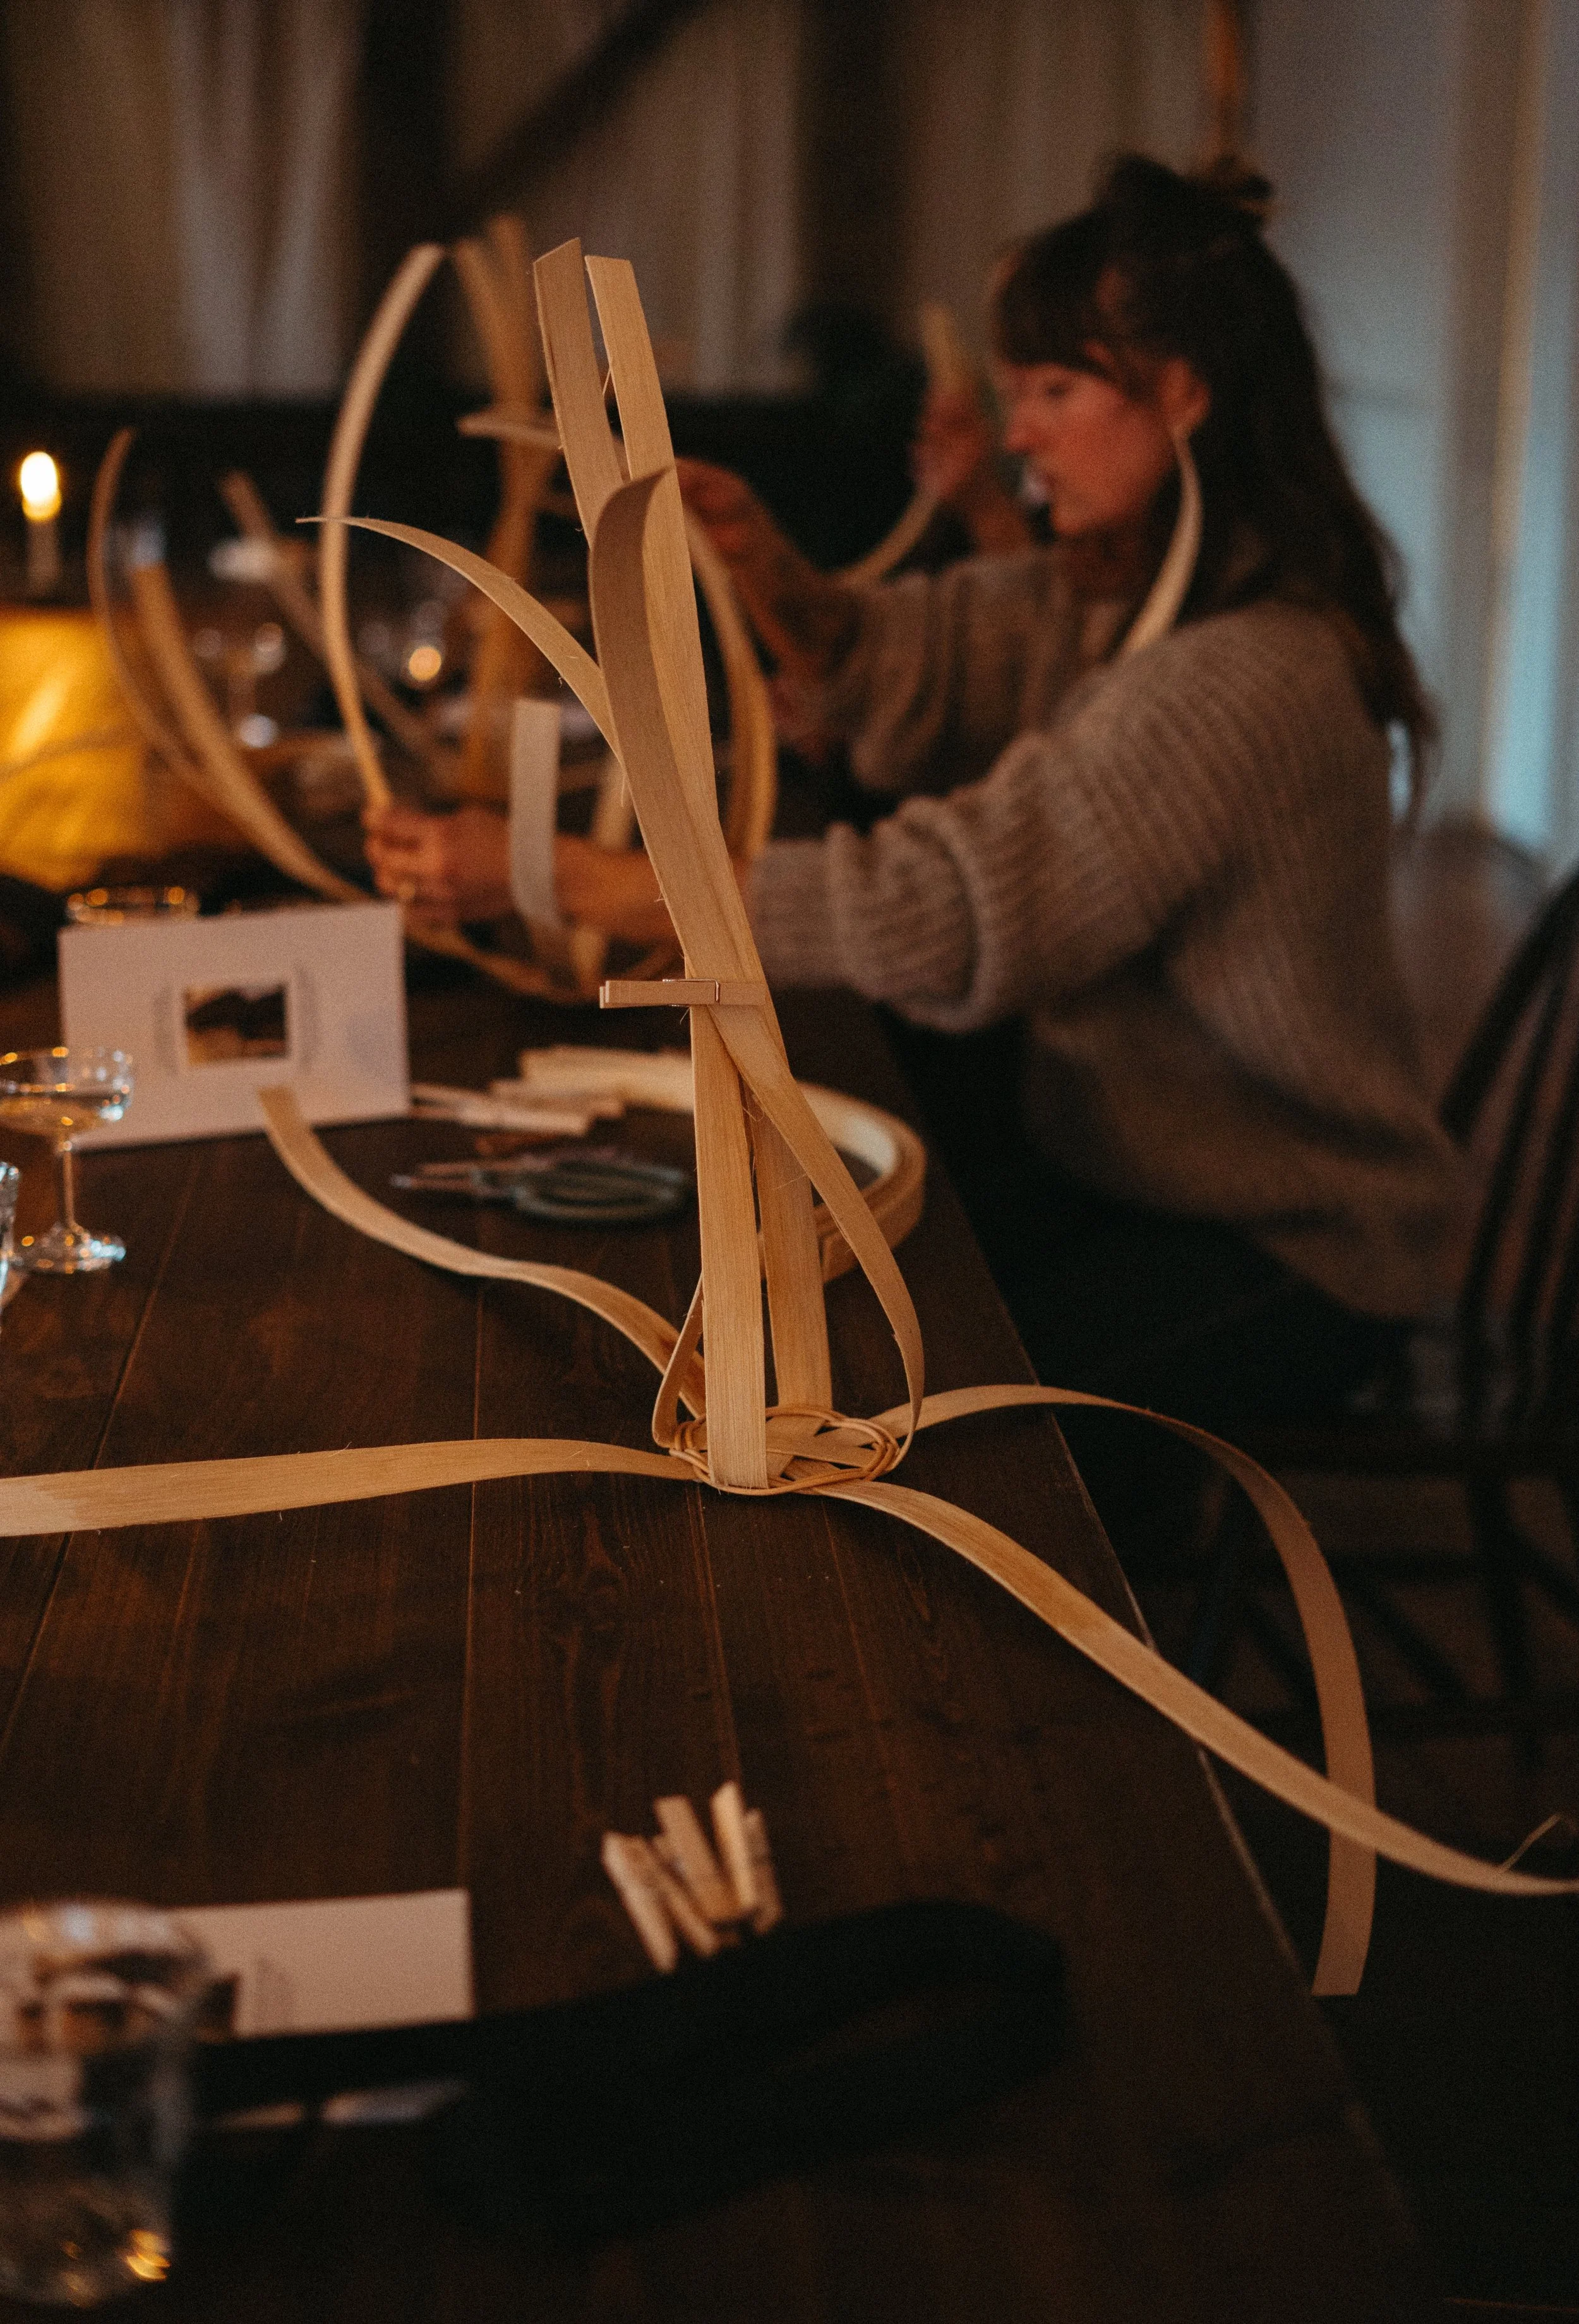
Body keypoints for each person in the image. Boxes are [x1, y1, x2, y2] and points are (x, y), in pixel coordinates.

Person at [367, 154, 1462, 1472]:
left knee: (896, 1425)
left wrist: (566, 878)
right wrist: (769, 570)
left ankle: (1060, 1630)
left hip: (1292, 1239)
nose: (1017, 435)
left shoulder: (1245, 675)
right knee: (836, 1307)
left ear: (1181, 398)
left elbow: (944, 907)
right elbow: (933, 650)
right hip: (1139, 1176)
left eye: (1055, 390)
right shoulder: (1128, 606)